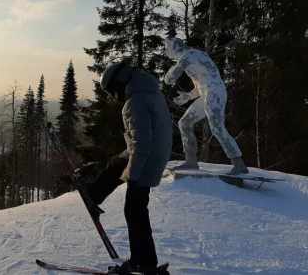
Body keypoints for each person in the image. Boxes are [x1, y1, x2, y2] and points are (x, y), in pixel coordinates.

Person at [81, 60, 172, 274]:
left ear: (121, 82)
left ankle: (142, 262)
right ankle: (94, 195)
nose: (114, 95)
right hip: (155, 156)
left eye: (113, 90)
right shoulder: (150, 93)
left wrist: (133, 174)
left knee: (134, 210)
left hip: (146, 160)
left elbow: (142, 143)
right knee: (118, 165)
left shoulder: (136, 102)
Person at [163, 36, 248, 175]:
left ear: (174, 47)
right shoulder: (194, 56)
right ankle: (191, 161)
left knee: (216, 127)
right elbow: (201, 83)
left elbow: (170, 78)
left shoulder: (188, 56)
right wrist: (188, 96)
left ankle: (239, 164)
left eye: (167, 47)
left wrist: (167, 78)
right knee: (184, 123)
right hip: (207, 93)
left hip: (215, 93)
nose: (166, 51)